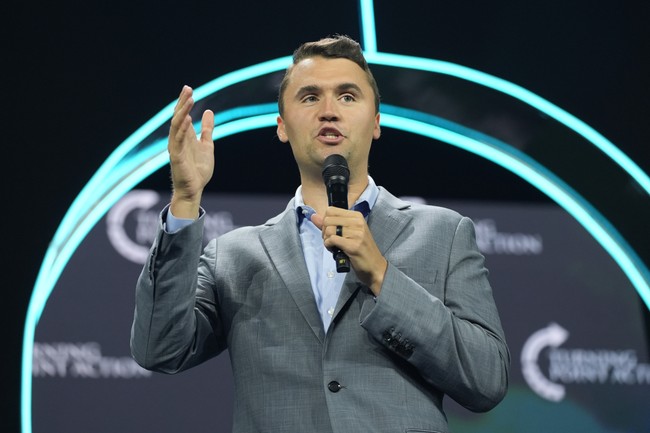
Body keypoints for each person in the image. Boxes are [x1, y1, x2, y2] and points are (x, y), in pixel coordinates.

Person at [131, 35, 510, 433]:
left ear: (376, 122)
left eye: (347, 96)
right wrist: (185, 199)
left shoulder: (443, 234)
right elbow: (160, 348)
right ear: (282, 127)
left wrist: (382, 276)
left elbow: (486, 380)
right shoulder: (233, 256)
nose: (329, 111)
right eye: (310, 97)